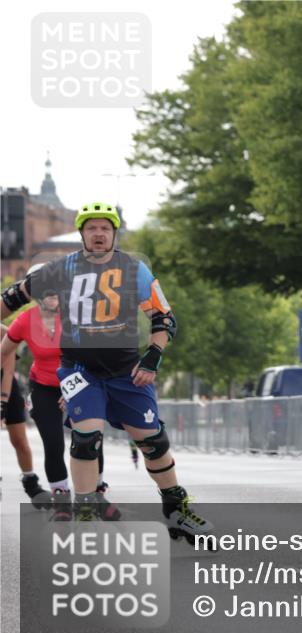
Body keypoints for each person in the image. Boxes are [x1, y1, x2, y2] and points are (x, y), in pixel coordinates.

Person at [1, 201, 212, 539]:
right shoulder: (60, 270)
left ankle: (176, 509)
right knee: (86, 438)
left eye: (104, 228)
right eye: (91, 228)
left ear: (114, 233)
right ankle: (85, 515)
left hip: (127, 370)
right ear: (82, 234)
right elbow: (13, 297)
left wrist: (152, 357)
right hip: (79, 370)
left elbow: (163, 318)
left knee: (153, 441)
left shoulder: (134, 269)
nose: (98, 234)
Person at [2, 264, 119, 520]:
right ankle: (61, 501)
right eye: (49, 292)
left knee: (89, 441)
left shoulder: (76, 316)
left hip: (79, 381)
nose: (56, 297)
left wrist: (72, 390)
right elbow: (4, 351)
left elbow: (93, 356)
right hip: (43, 386)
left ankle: (97, 495)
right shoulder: (25, 320)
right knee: (53, 443)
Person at [0, 325, 51, 510]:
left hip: (6, 387)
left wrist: (3, 402)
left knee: (20, 440)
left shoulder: (4, 333)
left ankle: (31, 484)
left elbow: (7, 370)